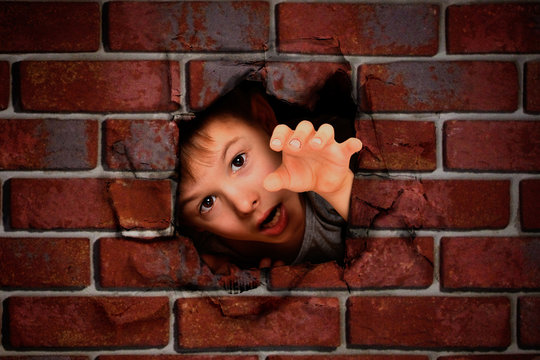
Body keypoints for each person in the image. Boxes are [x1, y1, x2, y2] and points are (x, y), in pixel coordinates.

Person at [176, 83, 362, 271]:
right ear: (190, 223)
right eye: (207, 202)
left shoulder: (337, 154)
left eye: (238, 161)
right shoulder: (208, 256)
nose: (244, 205)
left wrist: (341, 189)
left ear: (264, 121)